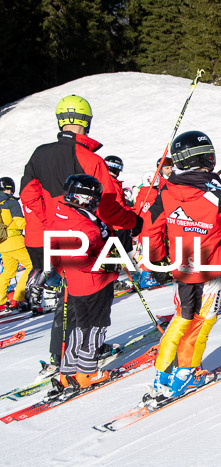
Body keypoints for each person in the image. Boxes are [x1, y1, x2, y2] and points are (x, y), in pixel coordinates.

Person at [20, 94, 142, 371]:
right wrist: (133, 222)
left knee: (68, 295)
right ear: (86, 121)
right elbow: (110, 207)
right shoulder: (90, 159)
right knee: (88, 297)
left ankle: (61, 355)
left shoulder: (40, 153)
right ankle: (83, 354)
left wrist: (50, 220)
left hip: (51, 236)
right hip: (87, 239)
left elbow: (28, 194)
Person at [142, 130, 221, 398]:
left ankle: (163, 372)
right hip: (209, 269)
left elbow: (149, 231)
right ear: (205, 158)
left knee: (183, 318)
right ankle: (186, 372)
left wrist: (156, 261)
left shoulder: (167, 191)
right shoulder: (216, 192)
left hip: (182, 267)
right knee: (203, 320)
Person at [50, 174, 117, 390]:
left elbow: (54, 249)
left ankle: (68, 369)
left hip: (76, 282)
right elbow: (85, 258)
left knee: (79, 326)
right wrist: (109, 262)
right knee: (95, 326)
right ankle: (87, 372)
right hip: (95, 283)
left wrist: (63, 271)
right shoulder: (85, 226)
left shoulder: (61, 215)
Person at [0, 177, 33, 312]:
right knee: (32, 266)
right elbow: (20, 222)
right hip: (15, 242)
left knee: (8, 272)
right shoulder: (11, 202)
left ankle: (1, 300)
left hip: (2, 243)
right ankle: (19, 297)